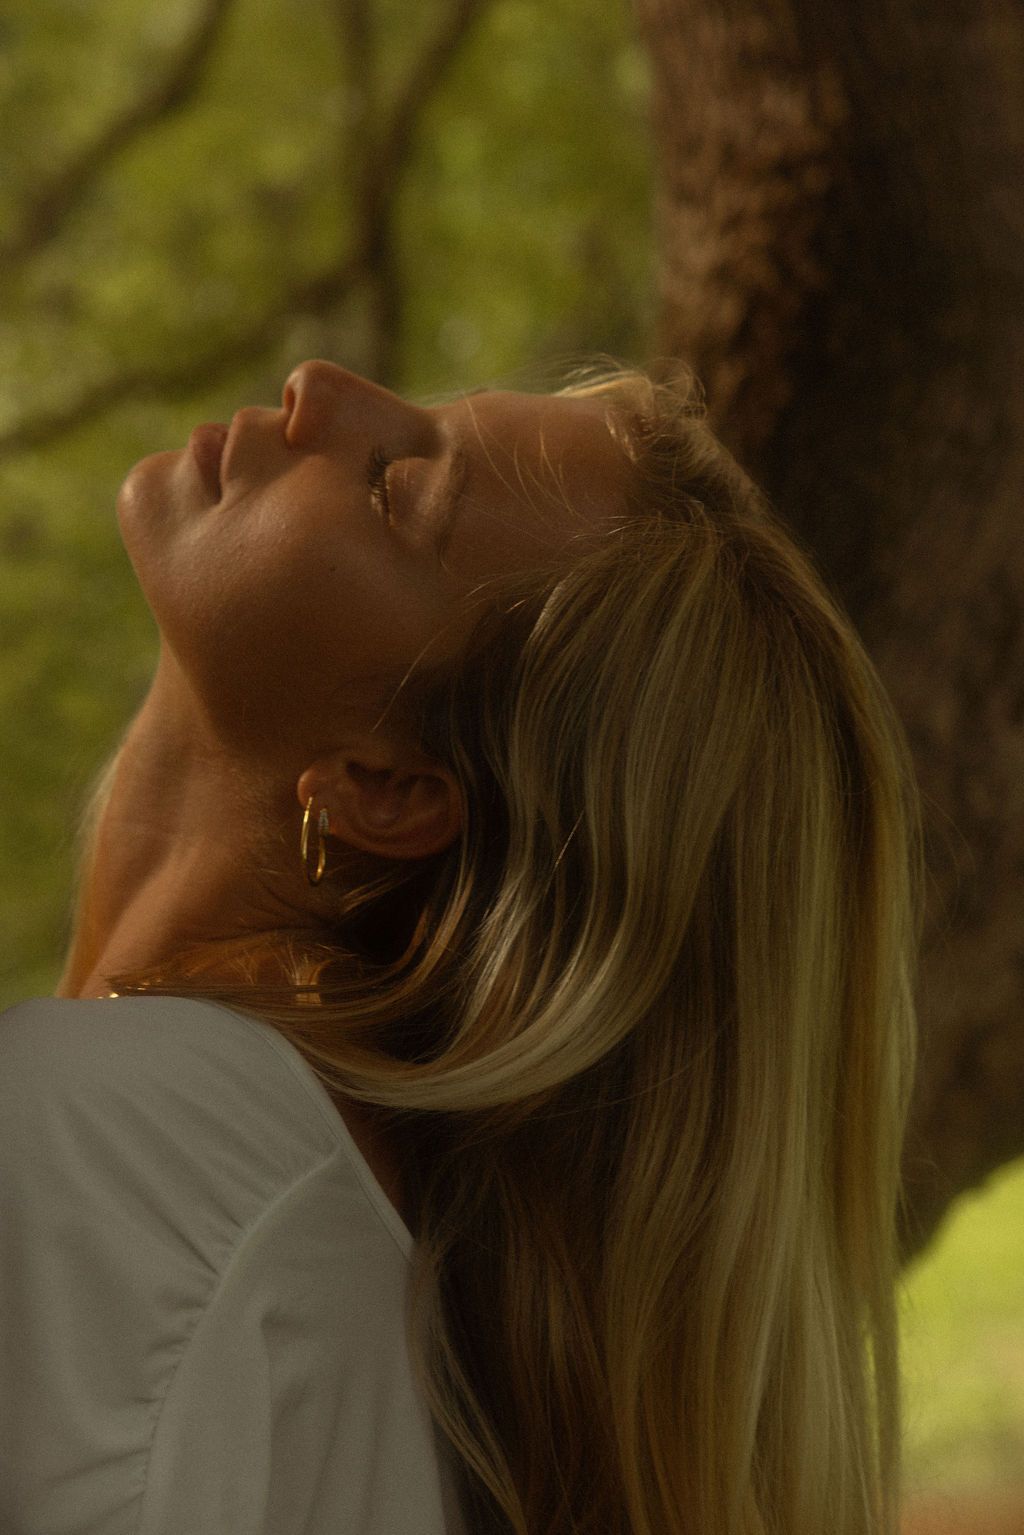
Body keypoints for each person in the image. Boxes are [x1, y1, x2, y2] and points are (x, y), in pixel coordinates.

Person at [0, 357, 925, 1535]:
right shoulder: (329, 1243)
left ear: (387, 786)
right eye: (420, 422)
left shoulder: (132, 1156)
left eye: (394, 486)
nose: (317, 387)